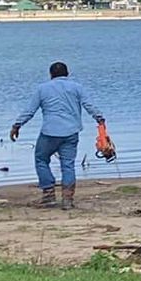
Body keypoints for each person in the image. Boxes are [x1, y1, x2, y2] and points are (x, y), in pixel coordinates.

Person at [10, 61, 110, 209]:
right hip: (71, 132)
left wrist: (17, 125)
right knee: (68, 165)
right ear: (67, 74)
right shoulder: (77, 88)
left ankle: (49, 194)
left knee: (41, 159)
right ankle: (67, 200)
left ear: (51, 75)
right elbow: (89, 105)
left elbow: (30, 111)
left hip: (50, 132)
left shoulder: (42, 89)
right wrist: (99, 118)